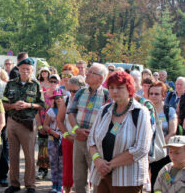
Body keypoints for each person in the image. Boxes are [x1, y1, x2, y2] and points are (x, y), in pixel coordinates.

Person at [88, 71, 152, 193]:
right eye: (111, 87)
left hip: (128, 179)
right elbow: (91, 140)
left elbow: (141, 149)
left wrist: (109, 165)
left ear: (129, 88)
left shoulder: (141, 112)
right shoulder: (104, 110)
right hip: (102, 176)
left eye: (119, 87)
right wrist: (98, 161)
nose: (115, 91)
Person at [3, 58, 45, 193]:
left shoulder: (36, 85)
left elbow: (42, 105)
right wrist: (13, 106)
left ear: (32, 70)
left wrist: (28, 105)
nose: (25, 71)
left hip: (27, 124)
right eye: (23, 69)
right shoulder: (10, 84)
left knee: (29, 156)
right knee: (13, 155)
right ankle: (14, 184)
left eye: (28, 69)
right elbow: (3, 104)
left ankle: (30, 185)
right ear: (18, 69)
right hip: (12, 122)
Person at [68, 63, 110, 193]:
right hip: (79, 139)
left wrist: (93, 133)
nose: (86, 74)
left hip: (96, 142)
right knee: (79, 176)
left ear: (100, 78)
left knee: (97, 176)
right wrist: (76, 129)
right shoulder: (80, 92)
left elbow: (110, 120)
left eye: (91, 72)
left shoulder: (107, 95)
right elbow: (71, 112)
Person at [57, 76, 86, 193]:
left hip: (84, 140)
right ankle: (67, 189)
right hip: (69, 139)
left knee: (84, 170)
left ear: (83, 88)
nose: (72, 93)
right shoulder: (66, 99)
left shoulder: (88, 100)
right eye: (70, 90)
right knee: (68, 168)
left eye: (75, 91)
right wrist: (66, 136)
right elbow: (59, 120)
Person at [148, 81, 178, 192]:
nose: (153, 96)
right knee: (147, 181)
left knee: (163, 180)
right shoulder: (144, 110)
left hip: (163, 152)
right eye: (151, 93)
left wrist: (158, 145)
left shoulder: (169, 111)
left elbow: (172, 132)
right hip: (146, 151)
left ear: (163, 96)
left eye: (156, 94)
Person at [35, 74, 61, 180]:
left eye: (55, 81)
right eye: (51, 81)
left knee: (57, 151)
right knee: (43, 149)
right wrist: (39, 125)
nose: (53, 83)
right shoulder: (42, 95)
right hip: (43, 125)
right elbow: (37, 111)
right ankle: (42, 170)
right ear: (48, 82)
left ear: (59, 83)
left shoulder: (61, 97)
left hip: (56, 129)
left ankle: (56, 173)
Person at [43, 92, 64, 193]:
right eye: (56, 97)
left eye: (60, 97)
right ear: (54, 100)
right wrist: (53, 132)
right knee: (53, 162)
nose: (59, 99)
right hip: (53, 138)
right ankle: (54, 185)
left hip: (64, 138)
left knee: (62, 163)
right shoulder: (51, 111)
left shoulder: (67, 110)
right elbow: (45, 126)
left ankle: (61, 185)